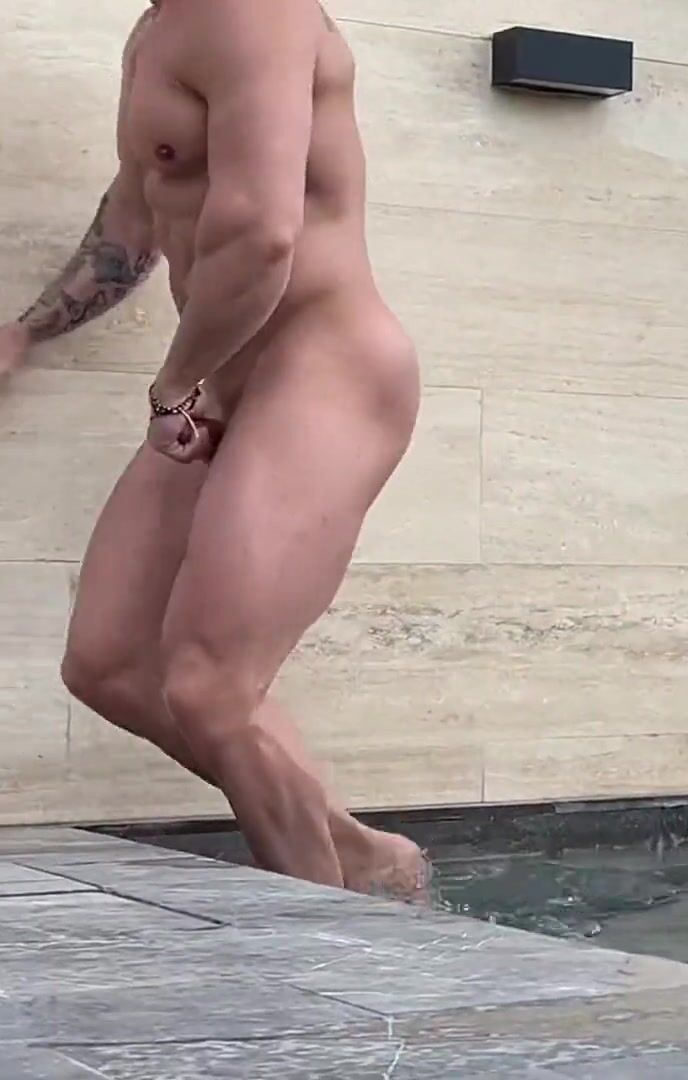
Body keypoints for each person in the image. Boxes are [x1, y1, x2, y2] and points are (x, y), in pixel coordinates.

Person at [0, 0, 428, 898]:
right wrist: (27, 331)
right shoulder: (158, 27)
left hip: (324, 366)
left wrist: (174, 385)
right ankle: (362, 860)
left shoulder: (246, 8)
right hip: (225, 374)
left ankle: (321, 951)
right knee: (110, 662)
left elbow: (262, 232)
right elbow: (134, 216)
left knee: (210, 685)